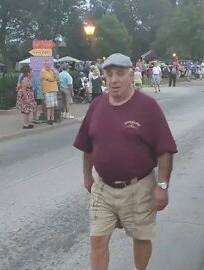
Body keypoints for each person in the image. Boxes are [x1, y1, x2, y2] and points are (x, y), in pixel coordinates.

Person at [73, 53, 177, 270]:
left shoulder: (147, 107)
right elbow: (88, 145)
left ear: (131, 75)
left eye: (120, 74)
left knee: (141, 238)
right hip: (103, 188)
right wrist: (86, 176)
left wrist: (162, 186)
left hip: (139, 187)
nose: (114, 80)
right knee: (98, 240)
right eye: (109, 74)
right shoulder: (97, 106)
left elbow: (165, 150)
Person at [40, 60, 59, 125]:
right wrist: (54, 79)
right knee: (49, 106)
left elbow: (57, 78)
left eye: (49, 64)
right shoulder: (43, 71)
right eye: (47, 64)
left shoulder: (51, 71)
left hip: (54, 89)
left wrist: (54, 73)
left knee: (53, 105)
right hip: (48, 90)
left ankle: (52, 118)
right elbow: (50, 79)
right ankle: (48, 119)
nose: (48, 66)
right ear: (45, 65)